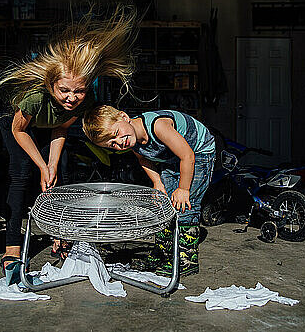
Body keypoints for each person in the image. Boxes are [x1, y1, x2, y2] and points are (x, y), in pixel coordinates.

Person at [0, 5, 139, 272]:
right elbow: (19, 131)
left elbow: (60, 129)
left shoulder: (84, 100)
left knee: (62, 172)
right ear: (51, 85)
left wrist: (53, 165)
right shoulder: (35, 97)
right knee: (22, 171)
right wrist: (42, 165)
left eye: (78, 91)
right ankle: (12, 244)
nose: (71, 97)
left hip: (49, 124)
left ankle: (61, 235)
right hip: (16, 122)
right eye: (64, 90)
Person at [82, 105, 215, 276]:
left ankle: (186, 260)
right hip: (172, 157)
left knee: (185, 205)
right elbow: (144, 159)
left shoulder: (158, 126)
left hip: (198, 153)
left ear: (123, 116)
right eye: (112, 144)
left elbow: (188, 156)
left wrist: (183, 188)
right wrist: (157, 182)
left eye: (116, 134)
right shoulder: (132, 140)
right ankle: (163, 253)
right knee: (164, 206)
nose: (120, 143)